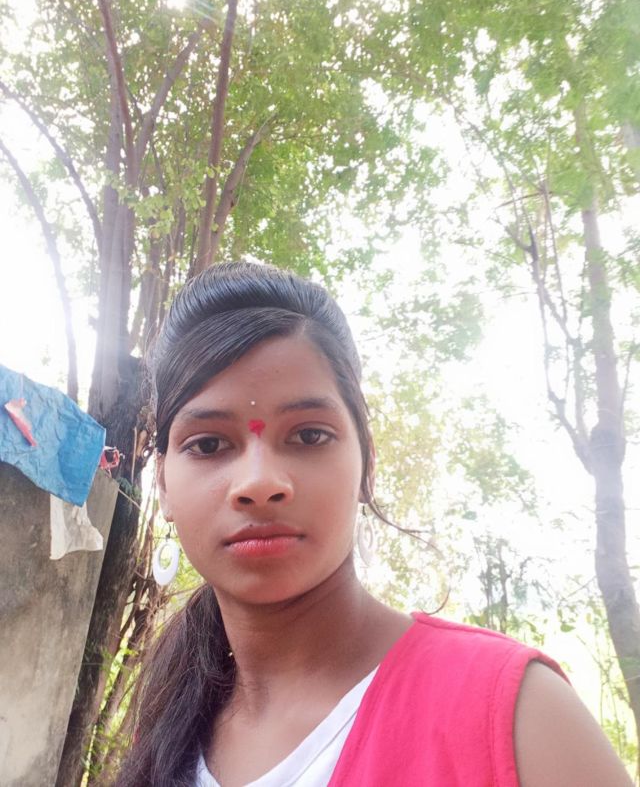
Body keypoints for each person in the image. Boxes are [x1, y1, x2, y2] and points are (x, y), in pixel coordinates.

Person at [116, 261, 632, 787]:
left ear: (367, 465)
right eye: (208, 444)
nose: (259, 482)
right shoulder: (166, 735)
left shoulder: (514, 713)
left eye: (309, 435)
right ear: (163, 483)